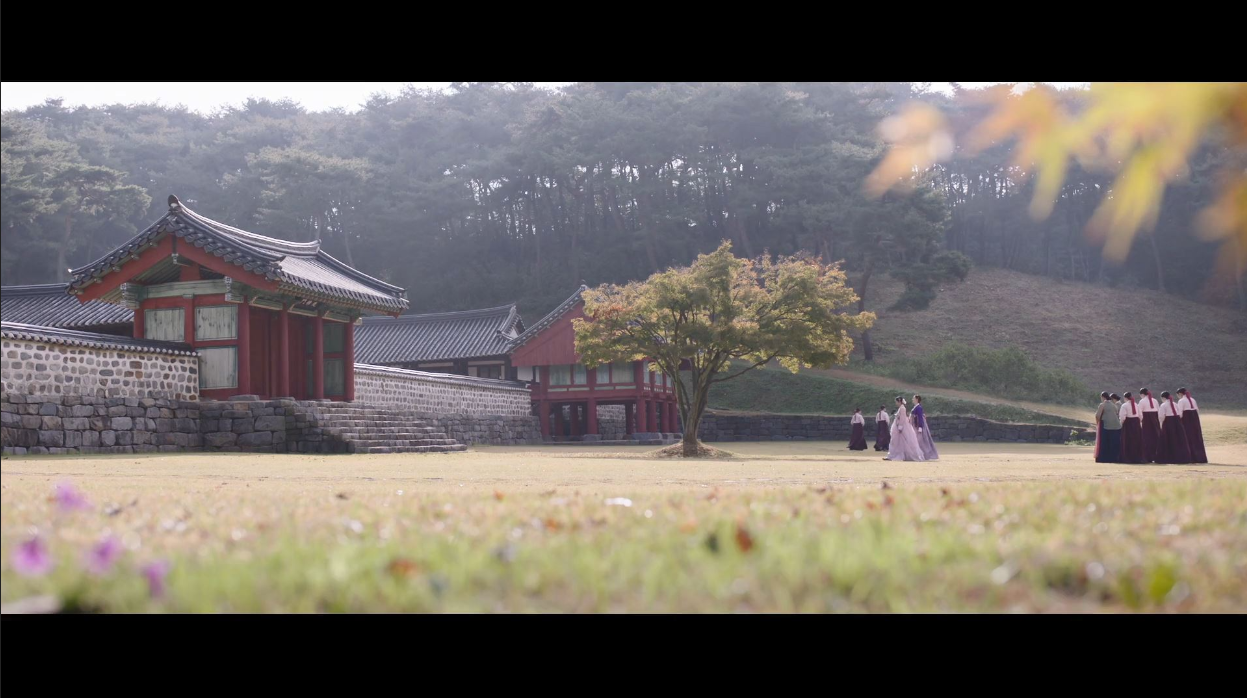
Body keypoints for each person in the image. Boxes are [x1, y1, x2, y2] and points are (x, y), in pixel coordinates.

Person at [1155, 391, 1192, 464]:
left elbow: (1161, 416)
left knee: (1167, 439)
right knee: (1178, 439)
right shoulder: (1175, 404)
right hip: (1177, 422)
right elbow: (1180, 414)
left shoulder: (1163, 405)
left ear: (1163, 398)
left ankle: (1168, 457)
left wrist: (1161, 423)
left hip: (1168, 422)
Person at [885, 396, 925, 462]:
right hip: (898, 425)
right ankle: (892, 455)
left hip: (901, 426)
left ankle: (895, 455)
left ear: (899, 401)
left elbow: (902, 418)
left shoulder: (902, 408)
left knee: (898, 441)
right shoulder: (901, 408)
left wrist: (900, 426)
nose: (896, 403)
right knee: (895, 441)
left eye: (896, 402)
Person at [1176, 388, 1208, 463]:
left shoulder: (1181, 401)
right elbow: (1197, 411)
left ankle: (1189, 457)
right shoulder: (1193, 400)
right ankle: (1199, 457)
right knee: (1196, 438)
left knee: (1187, 438)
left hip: (1186, 421)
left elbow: (1180, 413)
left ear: (1180, 394)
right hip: (1195, 421)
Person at [1094, 391, 1122, 463]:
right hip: (1116, 426)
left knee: (1104, 442)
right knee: (1113, 443)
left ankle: (1103, 458)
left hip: (1105, 425)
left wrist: (1097, 423)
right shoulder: (1114, 405)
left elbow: (1097, 416)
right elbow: (1116, 413)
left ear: (1103, 397)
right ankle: (1113, 458)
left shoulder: (1102, 405)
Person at [910, 395, 939, 460]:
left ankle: (924, 454)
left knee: (920, 441)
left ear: (917, 399)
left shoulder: (919, 407)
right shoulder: (916, 407)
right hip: (915, 425)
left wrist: (920, 426)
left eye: (913, 398)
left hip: (917, 425)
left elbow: (920, 417)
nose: (912, 399)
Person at [1137, 388, 1162, 463]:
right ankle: (1156, 456)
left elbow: (1139, 413)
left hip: (1146, 421)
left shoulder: (1142, 401)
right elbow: (1158, 411)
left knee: (1146, 439)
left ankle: (1147, 457)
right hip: (1155, 421)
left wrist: (1140, 421)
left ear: (1142, 394)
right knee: (1156, 438)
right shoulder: (1155, 400)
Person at [1118, 391, 1144, 464]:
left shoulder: (1124, 405)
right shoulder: (1136, 404)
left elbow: (1122, 417)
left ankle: (1128, 457)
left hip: (1128, 423)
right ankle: (1137, 457)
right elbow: (1140, 415)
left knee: (1127, 440)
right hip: (1136, 423)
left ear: (1125, 398)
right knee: (1136, 440)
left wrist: (1122, 423)